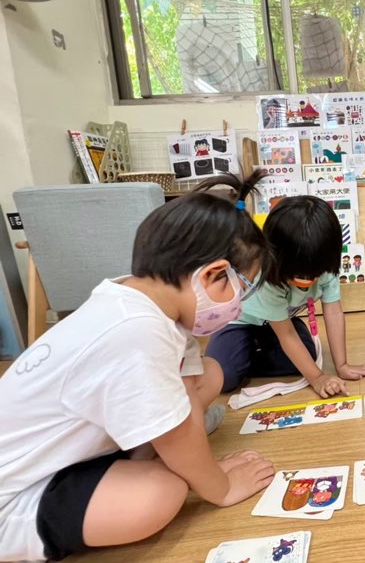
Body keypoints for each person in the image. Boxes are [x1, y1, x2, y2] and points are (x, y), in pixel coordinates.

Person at [0, 173, 276, 562]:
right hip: (17, 499)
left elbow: (189, 388)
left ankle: (147, 466)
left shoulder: (139, 300)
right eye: (239, 288)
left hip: (69, 454)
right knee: (161, 494)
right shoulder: (136, 330)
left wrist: (203, 463)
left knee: (210, 373)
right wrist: (220, 485)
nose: (237, 304)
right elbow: (178, 435)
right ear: (212, 274)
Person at [207, 195, 365, 397]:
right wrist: (317, 378)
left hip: (279, 322)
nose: (306, 281)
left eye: (313, 275)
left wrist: (342, 365)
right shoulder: (268, 275)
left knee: (306, 358)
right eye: (297, 275)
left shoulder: (325, 263)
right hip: (239, 322)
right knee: (225, 377)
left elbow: (333, 311)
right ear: (273, 255)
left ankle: (247, 354)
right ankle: (238, 355)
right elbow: (287, 335)